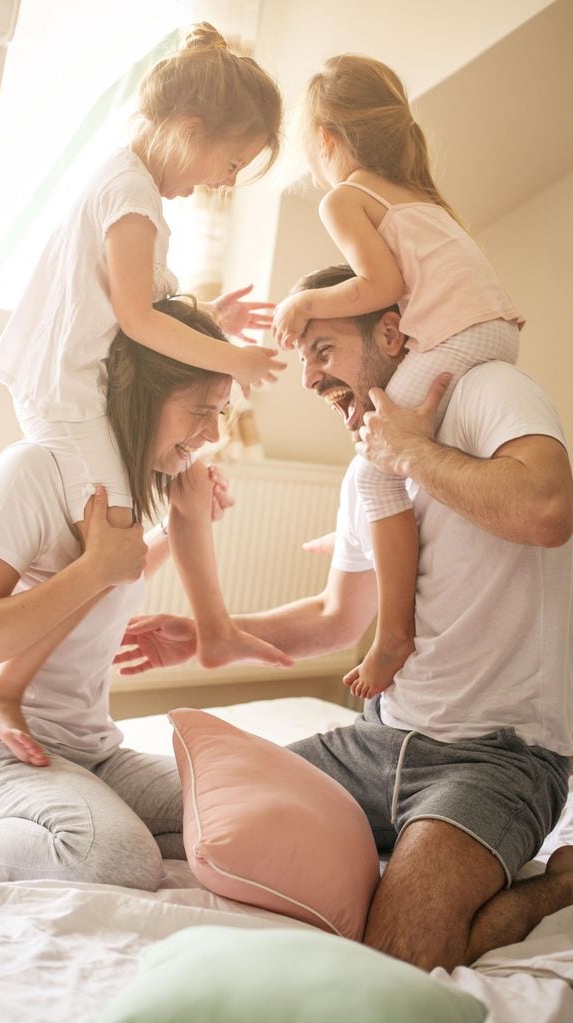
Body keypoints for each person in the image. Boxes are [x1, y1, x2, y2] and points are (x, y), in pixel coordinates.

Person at [122, 266, 573, 971]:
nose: (309, 378)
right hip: (375, 746)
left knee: (401, 952)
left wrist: (413, 453)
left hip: (494, 758)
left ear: (389, 334)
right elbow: (338, 620)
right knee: (175, 819)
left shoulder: (489, 392)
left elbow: (548, 510)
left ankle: (555, 887)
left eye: (323, 350)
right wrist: (213, 633)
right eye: (302, 358)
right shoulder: (368, 467)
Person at [0, 22, 287, 754]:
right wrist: (232, 357)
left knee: (186, 480)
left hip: (78, 384)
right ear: (191, 128)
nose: (225, 180)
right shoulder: (132, 193)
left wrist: (215, 321)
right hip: (68, 392)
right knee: (107, 546)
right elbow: (139, 318)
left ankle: (215, 626)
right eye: (229, 161)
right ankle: (0, 692)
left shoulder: (131, 186)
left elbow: (144, 299)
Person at [0, 297, 292, 883]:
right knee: (112, 857)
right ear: (142, 398)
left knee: (261, 817)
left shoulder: (128, 487)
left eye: (221, 412)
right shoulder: (31, 472)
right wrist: (91, 571)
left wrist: (184, 525)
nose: (212, 433)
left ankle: (75, 810)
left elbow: (118, 569)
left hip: (92, 750)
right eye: (200, 411)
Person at [272, 54, 522, 702]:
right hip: (491, 327)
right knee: (401, 453)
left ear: (326, 139)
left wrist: (305, 305)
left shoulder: (345, 198)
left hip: (462, 335)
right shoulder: (419, 195)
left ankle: (393, 634)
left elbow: (380, 285)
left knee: (374, 464)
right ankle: (368, 537)